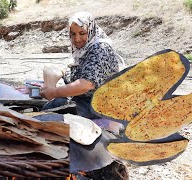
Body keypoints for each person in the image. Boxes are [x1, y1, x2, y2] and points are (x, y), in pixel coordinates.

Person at [40, 12, 128, 179]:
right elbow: (79, 78)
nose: (77, 39)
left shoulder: (100, 48)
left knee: (52, 117)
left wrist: (54, 92)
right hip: (87, 105)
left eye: (82, 33)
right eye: (72, 34)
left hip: (101, 112)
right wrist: (62, 74)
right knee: (51, 110)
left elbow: (86, 84)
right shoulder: (84, 50)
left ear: (92, 30)